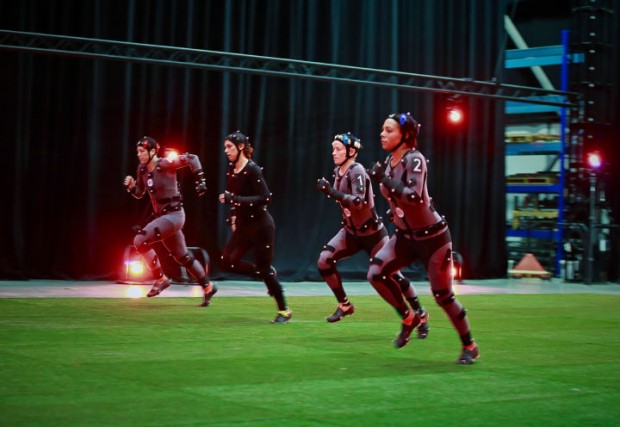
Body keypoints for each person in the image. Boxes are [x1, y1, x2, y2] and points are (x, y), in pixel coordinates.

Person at [367, 112, 479, 364]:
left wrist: (384, 180)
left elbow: (415, 197)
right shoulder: (388, 161)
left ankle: (469, 345)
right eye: (382, 129)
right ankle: (409, 318)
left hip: (433, 238)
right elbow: (399, 199)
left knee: (443, 296)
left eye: (388, 130)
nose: (382, 134)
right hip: (406, 236)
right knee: (375, 273)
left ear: (405, 135)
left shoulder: (415, 159)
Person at [316, 132, 430, 339]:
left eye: (338, 149)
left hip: (373, 234)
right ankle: (345, 305)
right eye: (333, 148)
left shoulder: (356, 170)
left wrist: (331, 192)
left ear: (351, 151)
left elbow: (358, 203)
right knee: (324, 261)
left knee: (393, 275)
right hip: (351, 231)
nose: (334, 152)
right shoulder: (338, 170)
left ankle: (421, 314)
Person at [123, 136, 217, 307]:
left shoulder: (166, 163)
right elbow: (139, 193)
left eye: (142, 151)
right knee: (183, 257)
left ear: (153, 151)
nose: (139, 155)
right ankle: (208, 286)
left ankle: (161, 279)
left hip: (174, 216)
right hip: (163, 219)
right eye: (137, 152)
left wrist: (201, 181)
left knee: (140, 240)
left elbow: (193, 158)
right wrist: (131, 187)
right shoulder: (142, 169)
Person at [218, 131, 292, 324]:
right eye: (226, 147)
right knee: (228, 261)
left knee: (265, 267)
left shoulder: (252, 169)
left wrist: (234, 200)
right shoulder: (232, 169)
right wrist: (233, 215)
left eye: (230, 147)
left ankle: (284, 310)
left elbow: (265, 198)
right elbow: (234, 194)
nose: (226, 151)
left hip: (261, 226)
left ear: (241, 147)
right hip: (244, 225)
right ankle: (263, 274)